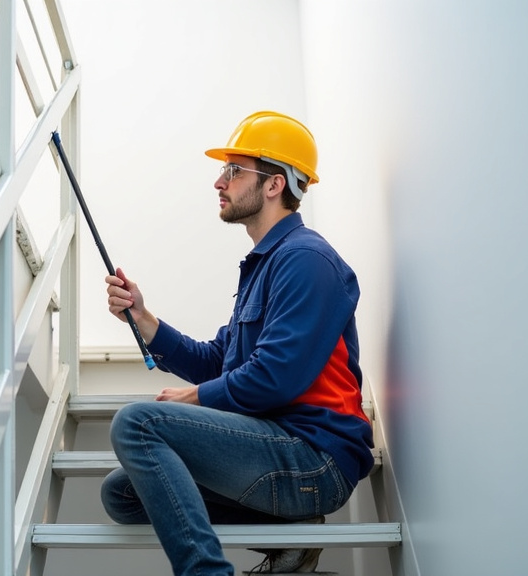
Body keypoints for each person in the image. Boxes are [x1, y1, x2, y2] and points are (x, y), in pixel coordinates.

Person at [100, 111, 374, 575]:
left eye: (233, 170)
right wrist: (144, 319)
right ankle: (293, 529)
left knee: (137, 424)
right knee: (122, 493)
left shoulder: (307, 260)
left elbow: (276, 377)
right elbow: (218, 361)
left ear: (273, 185)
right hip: (277, 446)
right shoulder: (264, 266)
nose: (218, 182)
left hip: (313, 456)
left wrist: (196, 399)